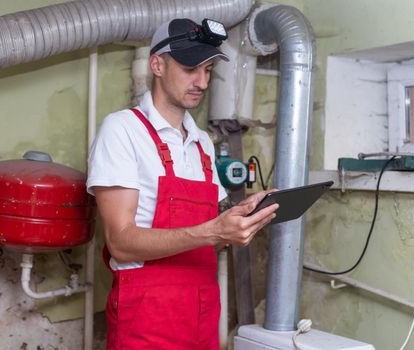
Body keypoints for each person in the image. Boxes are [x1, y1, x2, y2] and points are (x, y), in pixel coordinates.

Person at [87, 17, 278, 350]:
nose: (201, 82)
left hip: (203, 314)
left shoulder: (202, 142)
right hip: (147, 317)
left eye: (207, 70)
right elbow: (120, 242)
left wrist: (244, 219)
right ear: (157, 64)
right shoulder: (122, 130)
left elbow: (211, 238)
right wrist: (214, 231)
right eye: (191, 68)